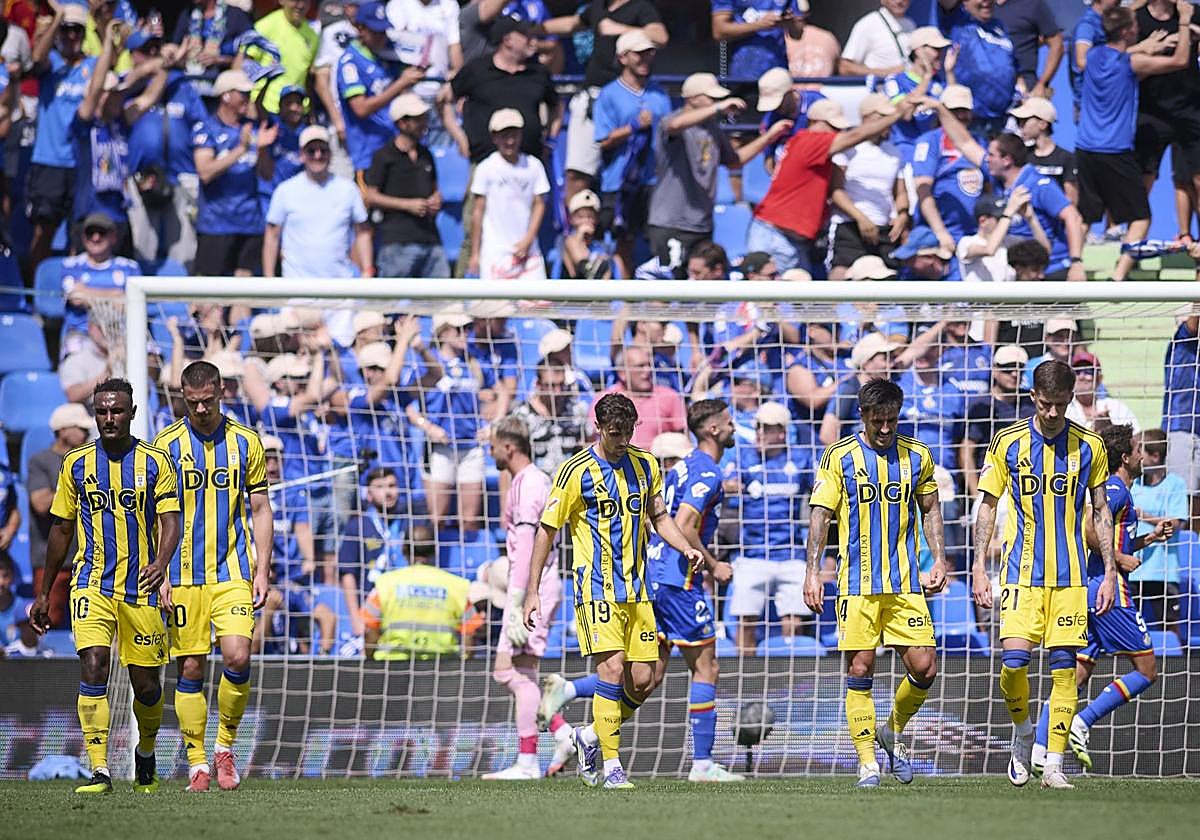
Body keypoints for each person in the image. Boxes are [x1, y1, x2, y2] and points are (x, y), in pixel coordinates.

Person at [522, 392, 703, 789]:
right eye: (614, 433)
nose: (621, 441)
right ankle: (612, 767)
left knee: (642, 679)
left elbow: (659, 515)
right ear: (599, 428)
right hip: (596, 588)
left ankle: (587, 737)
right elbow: (547, 530)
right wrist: (532, 590)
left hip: (638, 590)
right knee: (612, 669)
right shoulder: (575, 472)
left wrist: (686, 547)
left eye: (627, 432)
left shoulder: (646, 464)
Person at [29, 378, 181, 795]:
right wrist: (43, 592)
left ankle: (145, 753)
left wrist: (161, 563)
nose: (109, 418)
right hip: (91, 583)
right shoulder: (76, 464)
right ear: (95, 414)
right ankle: (99, 770)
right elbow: (61, 528)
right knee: (94, 664)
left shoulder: (155, 462)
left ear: (132, 413)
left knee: (146, 685)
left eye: (117, 411)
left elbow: (171, 520)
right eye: (102, 411)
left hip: (142, 587)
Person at [972, 359, 1118, 790]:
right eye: (1045, 403)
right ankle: (1021, 735)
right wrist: (980, 566)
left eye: (1059, 404)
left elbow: (1101, 510)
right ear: (1033, 396)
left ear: (1070, 400)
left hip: (1071, 578)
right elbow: (986, 505)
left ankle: (1052, 763)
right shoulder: (1007, 443)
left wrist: (1109, 572)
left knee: (1063, 670)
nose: (1052, 413)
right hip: (1020, 574)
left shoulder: (1089, 446)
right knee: (1014, 665)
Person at [805, 377, 947, 788]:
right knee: (860, 667)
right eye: (878, 421)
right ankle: (867, 762)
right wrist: (812, 570)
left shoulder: (917, 455)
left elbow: (931, 508)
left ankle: (891, 730)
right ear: (862, 416)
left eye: (892, 420)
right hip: (856, 584)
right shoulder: (839, 456)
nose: (886, 429)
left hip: (904, 582)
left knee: (924, 666)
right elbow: (821, 514)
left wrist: (938, 557)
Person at [153, 361, 273, 792]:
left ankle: (224, 747)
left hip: (233, 570)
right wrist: (158, 571)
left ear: (222, 391)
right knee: (190, 665)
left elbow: (260, 509)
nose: (201, 409)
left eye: (207, 401)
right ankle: (197, 763)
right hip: (181, 574)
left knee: (239, 655)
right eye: (192, 402)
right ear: (183, 396)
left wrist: (263, 568)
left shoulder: (246, 442)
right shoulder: (165, 445)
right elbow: (153, 515)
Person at [1031, 425, 1170, 774]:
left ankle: (1038, 747)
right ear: (1124, 457)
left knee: (1075, 675)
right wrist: (1120, 562)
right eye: (1137, 449)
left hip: (1090, 591)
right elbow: (1089, 529)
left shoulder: (1123, 493)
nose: (1142, 454)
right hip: (1108, 589)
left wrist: (1148, 539)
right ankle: (1082, 721)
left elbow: (1115, 539)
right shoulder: (1112, 488)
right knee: (1147, 668)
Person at [646, 399, 741, 782]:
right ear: (713, 430)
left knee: (647, 675)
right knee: (707, 667)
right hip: (680, 579)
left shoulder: (680, 467)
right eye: (730, 423)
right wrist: (714, 564)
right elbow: (684, 524)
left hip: (654, 572)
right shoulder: (708, 472)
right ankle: (702, 764)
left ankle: (572, 700)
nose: (735, 428)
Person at [480, 416, 574, 780]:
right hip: (535, 586)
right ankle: (563, 736)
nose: (490, 453)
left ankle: (528, 761)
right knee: (520, 672)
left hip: (534, 588)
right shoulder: (526, 481)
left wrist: (518, 602)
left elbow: (528, 545)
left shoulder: (530, 483)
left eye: (492, 446)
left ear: (509, 446)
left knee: (509, 670)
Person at [1076, 2, 1193, 282]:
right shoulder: (1131, 63)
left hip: (1085, 148)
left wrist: (1144, 47)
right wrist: (1185, 22)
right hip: (1114, 151)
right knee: (1141, 218)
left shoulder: (1092, 57)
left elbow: (1114, 55)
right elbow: (1180, 61)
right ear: (1129, 31)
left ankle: (1075, 264)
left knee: (1087, 215)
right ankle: (1118, 276)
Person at [748, 94, 915, 277]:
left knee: (793, 302)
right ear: (813, 122)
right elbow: (857, 135)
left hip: (786, 235)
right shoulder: (810, 140)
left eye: (839, 127)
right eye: (833, 126)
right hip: (777, 235)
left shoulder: (807, 143)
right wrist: (896, 115)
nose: (836, 133)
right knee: (772, 301)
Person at [647, 72, 789, 278]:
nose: (717, 102)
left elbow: (734, 161)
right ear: (692, 98)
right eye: (710, 98)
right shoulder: (672, 121)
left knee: (703, 287)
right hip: (671, 223)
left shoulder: (712, 128)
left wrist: (769, 137)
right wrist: (718, 108)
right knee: (669, 285)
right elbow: (674, 126)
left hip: (702, 224)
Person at [540, 1, 668, 202]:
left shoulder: (641, 8)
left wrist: (619, 29)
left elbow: (660, 36)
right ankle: (577, 230)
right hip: (592, 96)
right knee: (577, 172)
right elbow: (572, 24)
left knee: (628, 177)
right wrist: (534, 28)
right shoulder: (598, 7)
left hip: (628, 100)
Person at [934, 124, 1085, 279]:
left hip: (1051, 269)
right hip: (1019, 270)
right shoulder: (998, 180)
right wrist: (939, 107)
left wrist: (1076, 262)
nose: (987, 159)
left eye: (991, 155)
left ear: (1006, 160)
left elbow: (1073, 217)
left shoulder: (1039, 184)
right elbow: (964, 143)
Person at [729, 400, 812, 653]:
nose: (760, 434)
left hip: (791, 555)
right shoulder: (743, 459)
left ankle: (791, 676)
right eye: (757, 428)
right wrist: (728, 487)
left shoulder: (801, 459)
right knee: (745, 621)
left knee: (793, 620)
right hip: (753, 554)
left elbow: (823, 495)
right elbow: (724, 489)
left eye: (767, 429)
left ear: (782, 432)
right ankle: (744, 678)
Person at [27, 3, 99, 270]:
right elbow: (35, 58)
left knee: (78, 234)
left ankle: (74, 290)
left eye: (76, 31)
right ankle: (39, 296)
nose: (71, 37)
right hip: (48, 160)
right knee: (43, 231)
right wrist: (57, 18)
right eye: (67, 31)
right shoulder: (52, 64)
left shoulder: (92, 64)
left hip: (80, 163)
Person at [408, 309, 495, 530]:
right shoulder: (429, 363)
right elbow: (407, 403)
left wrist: (492, 423)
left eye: (468, 328)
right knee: (437, 518)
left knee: (471, 519)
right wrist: (427, 427)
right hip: (440, 448)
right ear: (444, 332)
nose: (465, 333)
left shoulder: (476, 362)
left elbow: (498, 393)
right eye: (459, 329)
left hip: (471, 447)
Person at [593, 29, 672, 270]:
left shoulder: (660, 94)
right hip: (620, 183)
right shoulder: (608, 95)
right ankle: (626, 301)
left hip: (655, 181)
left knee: (658, 242)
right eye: (639, 55)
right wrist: (633, 127)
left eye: (649, 54)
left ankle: (655, 300)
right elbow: (603, 140)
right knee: (622, 241)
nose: (645, 59)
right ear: (623, 57)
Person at [192, 69, 276, 278]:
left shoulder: (254, 128)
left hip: (250, 223)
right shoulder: (207, 128)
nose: (248, 99)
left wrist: (263, 150)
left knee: (243, 292)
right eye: (243, 94)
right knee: (211, 299)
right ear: (226, 95)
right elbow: (205, 172)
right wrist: (241, 149)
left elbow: (266, 174)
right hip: (216, 225)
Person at [263, 124, 374, 281]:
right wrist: (269, 278)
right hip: (297, 290)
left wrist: (367, 270)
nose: (317, 155)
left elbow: (362, 232)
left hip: (341, 288)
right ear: (301, 154)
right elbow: (272, 235)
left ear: (330, 154)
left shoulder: (348, 189)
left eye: (323, 150)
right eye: (311, 151)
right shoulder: (285, 190)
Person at [360, 528, 482, 660]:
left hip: (392, 667)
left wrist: (370, 663)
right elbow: (470, 633)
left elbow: (370, 631)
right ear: (435, 550)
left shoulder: (385, 584)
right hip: (442, 668)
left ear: (403, 549)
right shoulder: (457, 586)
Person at [364, 94, 448, 279]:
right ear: (402, 123)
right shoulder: (383, 156)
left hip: (431, 240)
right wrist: (407, 205)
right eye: (417, 119)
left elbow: (435, 189)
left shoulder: (426, 155)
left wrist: (436, 200)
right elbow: (371, 196)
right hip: (397, 242)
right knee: (395, 306)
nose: (423, 123)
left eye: (423, 118)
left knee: (439, 304)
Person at [26, 404, 94, 631]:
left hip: (86, 560)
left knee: (90, 627)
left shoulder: (91, 460)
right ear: (63, 430)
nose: (86, 434)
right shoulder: (41, 461)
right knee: (47, 622)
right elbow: (40, 504)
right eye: (81, 429)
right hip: (52, 560)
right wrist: (73, 488)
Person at [335, 1, 425, 173]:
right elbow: (360, 108)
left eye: (383, 31)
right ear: (360, 28)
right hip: (368, 153)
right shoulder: (350, 63)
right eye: (375, 32)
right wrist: (400, 84)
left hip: (396, 146)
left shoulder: (388, 53)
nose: (382, 37)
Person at [826, 92, 907, 279]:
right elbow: (836, 190)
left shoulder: (894, 152)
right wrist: (861, 219)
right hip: (849, 225)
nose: (888, 122)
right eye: (882, 117)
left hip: (884, 229)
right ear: (867, 117)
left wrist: (902, 214)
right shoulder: (848, 147)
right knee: (841, 276)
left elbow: (900, 192)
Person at [468, 109, 550, 280]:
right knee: (494, 306)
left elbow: (539, 204)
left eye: (514, 135)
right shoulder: (485, 168)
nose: (510, 141)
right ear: (494, 137)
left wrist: (528, 239)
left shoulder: (534, 166)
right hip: (495, 252)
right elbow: (477, 211)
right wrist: (475, 253)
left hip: (528, 251)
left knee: (536, 306)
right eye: (504, 135)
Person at [911, 84, 984, 267]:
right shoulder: (930, 141)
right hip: (942, 239)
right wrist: (940, 232)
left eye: (964, 110)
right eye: (953, 111)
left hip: (974, 237)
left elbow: (989, 187)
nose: (960, 116)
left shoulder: (980, 141)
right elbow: (923, 190)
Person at [1129, 429, 1188, 637]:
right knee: (1127, 627)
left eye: (1139, 451)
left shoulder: (1175, 484)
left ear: (1155, 456)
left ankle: (1177, 665)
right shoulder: (1132, 484)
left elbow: (1175, 523)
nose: (1135, 456)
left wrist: (1144, 516)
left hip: (1161, 573)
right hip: (1132, 570)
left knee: (1170, 627)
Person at [338, 466, 404, 638]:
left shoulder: (409, 523)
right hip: (370, 608)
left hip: (403, 604)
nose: (388, 492)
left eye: (391, 486)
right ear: (368, 494)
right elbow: (348, 573)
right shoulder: (358, 526)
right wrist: (355, 616)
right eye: (380, 487)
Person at [936, 0, 1019, 136]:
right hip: (968, 117)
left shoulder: (1000, 27)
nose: (986, 2)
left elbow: (1012, 66)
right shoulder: (956, 20)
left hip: (1001, 119)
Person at [963, 345, 1031, 497]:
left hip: (1028, 483)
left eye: (1019, 368)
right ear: (994, 370)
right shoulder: (982, 405)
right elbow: (966, 451)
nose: (1014, 374)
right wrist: (976, 495)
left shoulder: (1031, 402)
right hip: (991, 483)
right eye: (1008, 368)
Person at [592, 344, 686, 450]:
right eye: (640, 366)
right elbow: (591, 439)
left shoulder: (669, 396)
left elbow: (683, 440)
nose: (647, 370)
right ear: (623, 373)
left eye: (649, 365)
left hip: (657, 464)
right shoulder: (603, 400)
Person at [510, 364, 593, 474]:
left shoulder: (577, 411)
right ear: (538, 385)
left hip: (571, 484)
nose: (558, 391)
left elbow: (590, 446)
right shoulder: (522, 416)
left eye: (561, 385)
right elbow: (510, 460)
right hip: (536, 486)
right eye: (552, 386)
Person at [1163, 313, 1199, 528]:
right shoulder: (1183, 342)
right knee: (1185, 499)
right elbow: (1194, 324)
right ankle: (1185, 550)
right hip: (1183, 429)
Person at [253, 0, 319, 114]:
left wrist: (310, 111)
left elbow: (309, 77)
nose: (301, 5)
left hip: (296, 111)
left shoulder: (312, 35)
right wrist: (250, 103)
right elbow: (244, 65)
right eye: (295, 1)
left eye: (306, 1)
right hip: (265, 107)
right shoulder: (265, 26)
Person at [710, 0, 804, 78]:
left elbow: (797, 34)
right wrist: (760, 25)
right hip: (742, 75)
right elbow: (719, 32)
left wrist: (791, 22)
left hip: (778, 73)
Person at [1010, 97, 1076, 203]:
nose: (1020, 126)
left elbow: (1071, 201)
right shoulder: (1022, 156)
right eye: (1019, 121)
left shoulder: (1066, 158)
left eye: (1024, 120)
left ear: (1043, 124)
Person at [992, 0, 1062, 100]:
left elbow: (1057, 44)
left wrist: (1042, 83)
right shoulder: (978, 5)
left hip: (1022, 87)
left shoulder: (1032, 4)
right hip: (982, 87)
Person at [840, 0, 916, 77]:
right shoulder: (867, 24)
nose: (899, 1)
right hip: (879, 87)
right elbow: (845, 67)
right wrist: (886, 73)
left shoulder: (910, 24)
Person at [1066, 351, 1139, 432]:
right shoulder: (1064, 407)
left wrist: (1108, 427)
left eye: (1088, 371)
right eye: (1077, 372)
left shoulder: (1116, 407)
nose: (1082, 376)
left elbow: (1135, 437)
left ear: (1099, 378)